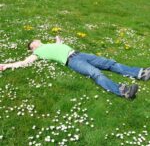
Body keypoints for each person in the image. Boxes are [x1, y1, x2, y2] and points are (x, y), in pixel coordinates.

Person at [0, 36, 149, 99]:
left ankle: (140, 73)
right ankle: (123, 91)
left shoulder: (48, 45)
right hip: (71, 61)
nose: (36, 41)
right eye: (34, 42)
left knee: (110, 63)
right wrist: (7, 65)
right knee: (96, 73)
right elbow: (24, 62)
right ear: (32, 47)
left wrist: (58, 40)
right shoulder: (37, 52)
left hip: (80, 54)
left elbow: (59, 45)